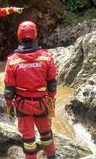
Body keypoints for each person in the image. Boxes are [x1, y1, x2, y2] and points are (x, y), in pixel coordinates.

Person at [4, 21, 58, 159]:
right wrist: (51, 100)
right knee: (46, 133)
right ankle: (52, 156)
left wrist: (9, 105)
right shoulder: (46, 57)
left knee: (28, 139)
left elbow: (9, 88)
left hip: (23, 105)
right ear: (35, 35)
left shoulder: (12, 60)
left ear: (19, 36)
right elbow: (52, 84)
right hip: (42, 103)